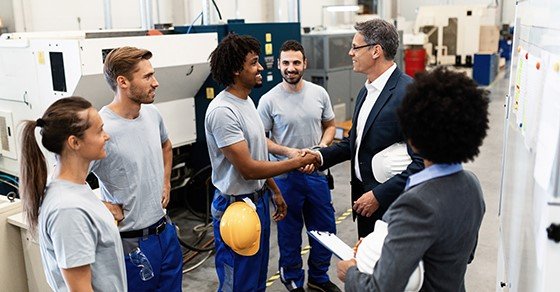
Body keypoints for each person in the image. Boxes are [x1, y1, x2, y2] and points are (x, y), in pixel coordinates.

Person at [337, 67, 489, 291]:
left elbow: (379, 288)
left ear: (413, 135)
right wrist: (374, 246)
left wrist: (350, 273)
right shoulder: (471, 184)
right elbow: (465, 255)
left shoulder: (415, 204)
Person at [205, 34, 318, 292]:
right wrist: (298, 160)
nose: (260, 68)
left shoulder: (246, 102)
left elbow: (257, 155)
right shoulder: (224, 111)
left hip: (256, 201)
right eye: (254, 63)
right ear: (236, 70)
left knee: (256, 280)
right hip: (235, 207)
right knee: (239, 283)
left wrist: (274, 191)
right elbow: (248, 168)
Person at [313, 19, 424, 238]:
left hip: (394, 208)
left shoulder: (410, 94)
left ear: (376, 51)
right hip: (364, 205)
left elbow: (423, 163)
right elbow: (355, 142)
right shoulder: (366, 92)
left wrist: (379, 196)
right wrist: (318, 157)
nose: (350, 53)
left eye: (355, 47)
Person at [91, 46, 182, 291]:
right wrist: (98, 205)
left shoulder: (152, 115)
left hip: (166, 234)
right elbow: (67, 181)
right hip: (131, 245)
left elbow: (166, 145)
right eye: (147, 76)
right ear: (123, 82)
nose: (156, 83)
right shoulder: (101, 129)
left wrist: (166, 181)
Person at [257, 40, 340, 292]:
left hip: (316, 173)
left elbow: (330, 125)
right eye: (286, 63)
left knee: (325, 229)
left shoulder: (319, 94)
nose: (290, 68)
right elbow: (261, 139)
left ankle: (318, 278)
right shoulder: (268, 100)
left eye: (296, 62)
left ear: (305, 64)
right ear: (279, 65)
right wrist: (290, 154)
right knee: (290, 234)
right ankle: (293, 280)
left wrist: (319, 150)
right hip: (285, 177)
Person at [19, 96, 126, 291]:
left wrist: (102, 213)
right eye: (99, 130)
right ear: (74, 142)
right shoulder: (67, 210)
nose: (106, 136)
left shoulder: (73, 188)